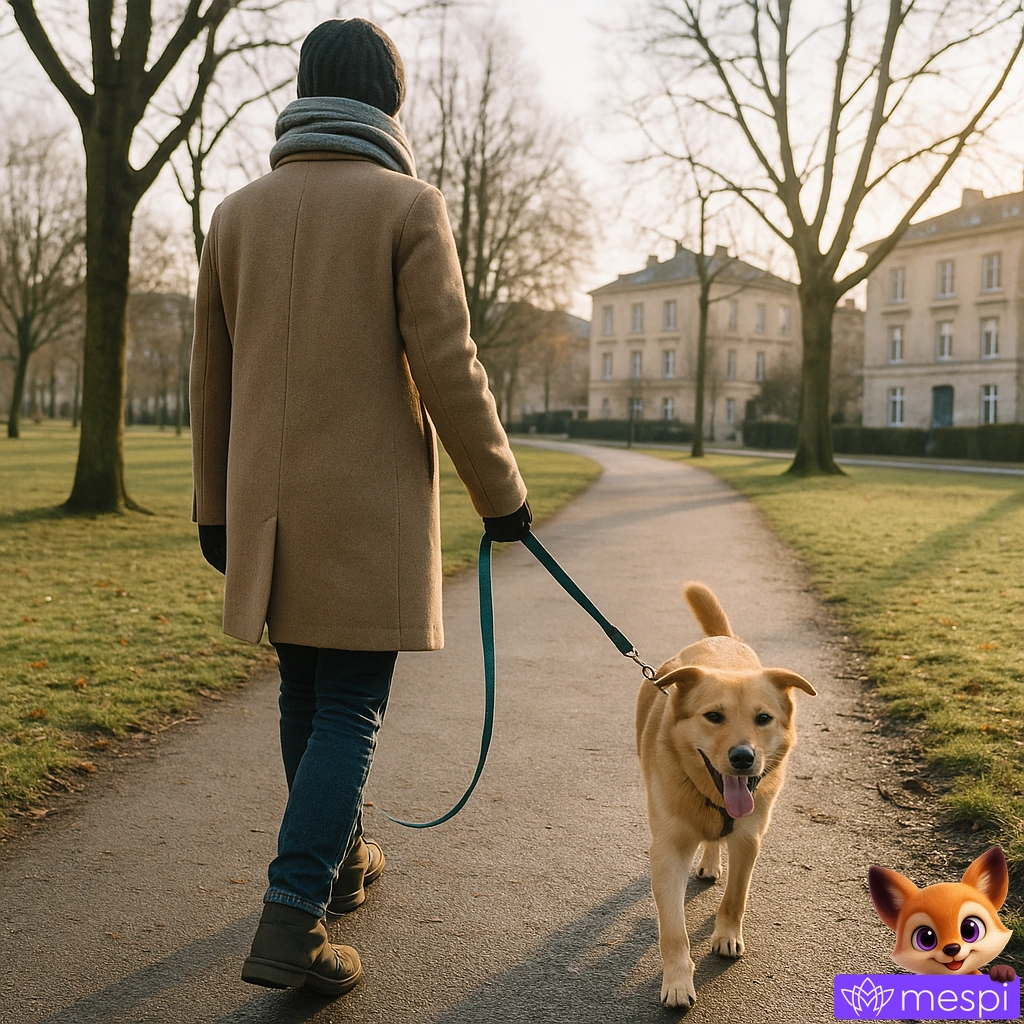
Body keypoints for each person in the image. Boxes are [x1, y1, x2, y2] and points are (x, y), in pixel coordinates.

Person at [189, 18, 531, 997]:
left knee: (306, 695)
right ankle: (294, 917)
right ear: (390, 101)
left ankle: (338, 864)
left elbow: (209, 383)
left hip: (264, 514)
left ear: (303, 92)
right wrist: (500, 494)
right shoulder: (407, 206)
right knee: (349, 708)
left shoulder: (236, 212)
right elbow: (449, 366)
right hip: (368, 510)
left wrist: (213, 511)